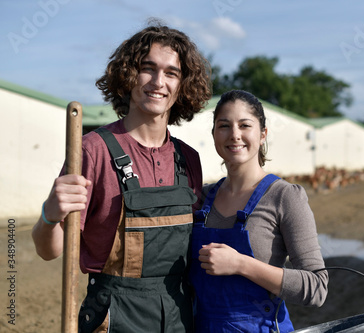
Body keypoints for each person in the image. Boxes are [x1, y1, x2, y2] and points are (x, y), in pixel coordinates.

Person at [31, 20, 211, 333]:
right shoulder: (92, 151)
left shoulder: (189, 160)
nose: (158, 81)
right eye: (148, 68)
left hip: (180, 313)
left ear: (182, 85)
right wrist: (50, 214)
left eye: (171, 72)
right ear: (128, 75)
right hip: (114, 316)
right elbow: (48, 251)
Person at [189, 90, 329, 332]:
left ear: (263, 134)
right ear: (214, 134)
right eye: (224, 126)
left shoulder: (284, 197)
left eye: (245, 125)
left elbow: (316, 288)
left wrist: (241, 264)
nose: (235, 135)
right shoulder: (200, 199)